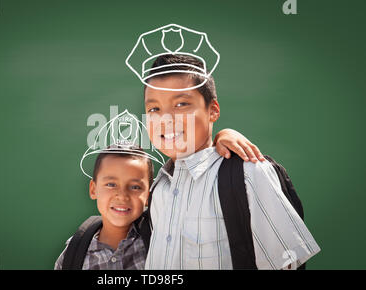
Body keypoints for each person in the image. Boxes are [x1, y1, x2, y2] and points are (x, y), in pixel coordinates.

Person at [143, 54, 321, 269]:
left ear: (213, 111)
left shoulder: (248, 173)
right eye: (154, 109)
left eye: (181, 104)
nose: (166, 119)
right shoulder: (159, 189)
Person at [55, 128, 265, 269]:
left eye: (135, 186)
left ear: (149, 194)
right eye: (111, 184)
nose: (122, 195)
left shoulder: (162, 237)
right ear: (93, 189)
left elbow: (192, 174)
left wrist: (223, 135)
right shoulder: (75, 251)